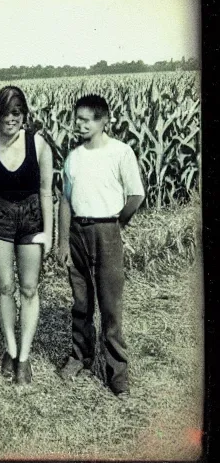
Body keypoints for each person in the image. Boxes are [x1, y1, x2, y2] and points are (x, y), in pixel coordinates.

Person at [57, 94, 145, 399]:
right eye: (77, 119)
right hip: (77, 232)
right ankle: (80, 358)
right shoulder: (74, 157)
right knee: (81, 303)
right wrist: (62, 241)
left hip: (106, 231)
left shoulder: (121, 152)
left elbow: (135, 196)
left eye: (87, 119)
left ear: (104, 120)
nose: (79, 125)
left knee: (110, 307)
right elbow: (65, 200)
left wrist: (116, 224)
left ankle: (117, 374)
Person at [0, 86, 54, 385]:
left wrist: (49, 233)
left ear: (24, 115)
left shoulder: (38, 144)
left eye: (17, 112)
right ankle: (9, 348)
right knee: (5, 287)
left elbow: (46, 192)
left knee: (29, 289)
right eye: (5, 112)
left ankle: (24, 356)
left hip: (32, 220)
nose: (11, 118)